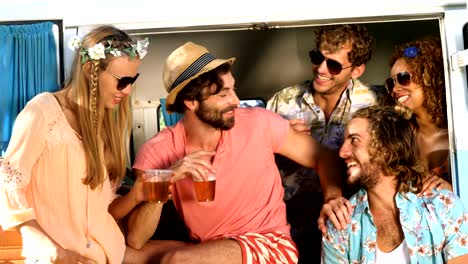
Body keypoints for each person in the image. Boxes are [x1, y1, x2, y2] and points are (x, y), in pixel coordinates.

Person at [126, 42, 343, 264]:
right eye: (223, 94)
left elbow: (322, 157)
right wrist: (166, 180)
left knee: (179, 260)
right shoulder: (157, 151)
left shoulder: (259, 122)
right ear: (191, 101)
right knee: (121, 253)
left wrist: (333, 197)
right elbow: (135, 238)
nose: (236, 101)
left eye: (233, 89)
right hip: (209, 247)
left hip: (270, 245)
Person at [0, 25, 150, 263]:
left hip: (110, 256)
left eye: (133, 80)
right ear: (90, 69)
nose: (129, 90)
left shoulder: (104, 126)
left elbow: (102, 211)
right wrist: (49, 248)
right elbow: (8, 186)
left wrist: (138, 195)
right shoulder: (42, 111)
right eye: (122, 81)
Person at [266, 24, 385, 262]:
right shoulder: (282, 102)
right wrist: (276, 138)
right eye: (317, 57)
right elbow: (255, 159)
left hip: (351, 223)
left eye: (333, 64)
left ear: (357, 69)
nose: (321, 69)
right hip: (289, 223)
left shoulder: (376, 103)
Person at [321, 105, 468, 263]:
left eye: (354, 140)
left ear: (385, 148)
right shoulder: (341, 224)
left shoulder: (444, 206)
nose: (342, 152)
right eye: (344, 141)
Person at [386, 37, 451, 192]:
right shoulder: (399, 136)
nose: (395, 89)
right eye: (391, 83)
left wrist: (455, 190)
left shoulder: (461, 132)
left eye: (403, 78)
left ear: (429, 78)